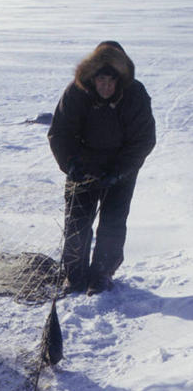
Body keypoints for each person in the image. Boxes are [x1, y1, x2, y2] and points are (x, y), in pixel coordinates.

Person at [48, 41, 156, 295]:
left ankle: (102, 274)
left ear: (120, 80)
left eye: (111, 81)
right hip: (82, 166)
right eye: (101, 80)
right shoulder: (76, 92)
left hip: (120, 168)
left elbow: (143, 140)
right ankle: (74, 276)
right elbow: (60, 132)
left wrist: (120, 172)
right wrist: (71, 164)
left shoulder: (135, 94)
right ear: (92, 78)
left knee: (113, 222)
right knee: (77, 221)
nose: (106, 86)